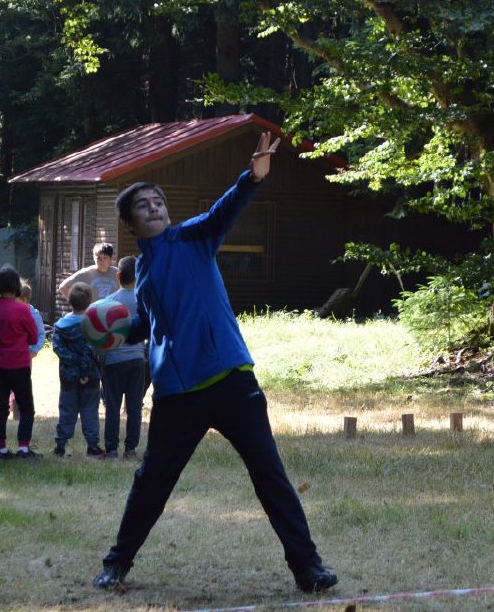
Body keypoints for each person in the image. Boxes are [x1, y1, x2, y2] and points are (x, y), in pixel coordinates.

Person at [93, 131, 337, 595]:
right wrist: (119, 332)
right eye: (143, 205)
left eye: (158, 202)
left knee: (269, 475)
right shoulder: (143, 269)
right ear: (129, 222)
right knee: (152, 482)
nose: (154, 208)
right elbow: (154, 321)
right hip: (178, 394)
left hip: (230, 381)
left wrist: (252, 178)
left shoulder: (192, 237)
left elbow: (222, 212)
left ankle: (309, 568)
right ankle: (116, 563)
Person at [0, 265, 40, 459]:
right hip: (19, 364)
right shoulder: (22, 309)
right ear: (16, 286)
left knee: (0, 406)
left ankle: (1, 448)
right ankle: (23, 447)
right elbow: (33, 337)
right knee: (26, 406)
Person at [102, 256, 149, 459]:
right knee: (134, 406)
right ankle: (131, 449)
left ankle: (111, 449)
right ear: (138, 276)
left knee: (112, 406)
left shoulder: (108, 303)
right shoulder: (143, 301)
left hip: (113, 360)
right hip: (137, 359)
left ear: (118, 276)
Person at [51, 282, 104, 458]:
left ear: (69, 301)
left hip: (68, 376)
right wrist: (84, 370)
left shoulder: (60, 326)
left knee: (67, 410)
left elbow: (58, 349)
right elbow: (91, 349)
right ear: (90, 302)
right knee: (90, 410)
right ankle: (92, 445)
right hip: (91, 375)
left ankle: (60, 445)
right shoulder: (92, 325)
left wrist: (73, 362)